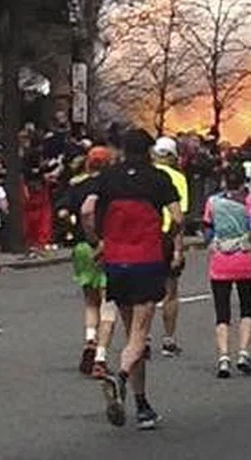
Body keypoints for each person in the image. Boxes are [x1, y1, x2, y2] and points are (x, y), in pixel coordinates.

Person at [81, 129, 185, 430]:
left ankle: (141, 404)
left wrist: (97, 240)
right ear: (150, 151)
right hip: (147, 260)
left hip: (116, 259)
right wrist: (166, 238)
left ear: (123, 150)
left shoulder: (108, 177)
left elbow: (87, 209)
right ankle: (121, 376)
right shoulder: (159, 179)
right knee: (140, 335)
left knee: (131, 334)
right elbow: (177, 218)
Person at [61, 146, 116, 378]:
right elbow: (89, 210)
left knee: (90, 300)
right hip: (105, 246)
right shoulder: (111, 186)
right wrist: (97, 238)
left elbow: (63, 212)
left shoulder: (76, 184)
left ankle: (90, 339)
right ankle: (101, 357)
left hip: (81, 247)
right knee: (108, 302)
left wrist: (70, 231)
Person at [203, 166, 251, 378]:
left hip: (220, 260)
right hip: (244, 259)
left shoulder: (213, 202)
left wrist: (215, 242)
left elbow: (207, 228)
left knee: (222, 311)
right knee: (247, 309)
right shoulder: (250, 200)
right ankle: (244, 353)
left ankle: (224, 358)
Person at [153, 137, 190, 357]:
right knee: (171, 291)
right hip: (167, 237)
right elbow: (179, 217)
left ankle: (142, 337)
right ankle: (168, 339)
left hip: (145, 237)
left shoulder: (145, 174)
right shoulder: (178, 178)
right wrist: (178, 249)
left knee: (144, 292)